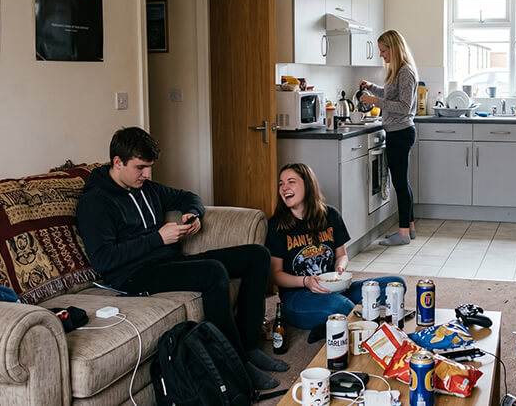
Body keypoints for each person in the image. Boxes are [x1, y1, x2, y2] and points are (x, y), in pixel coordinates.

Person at [76, 127, 287, 390]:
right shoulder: (95, 202)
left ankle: (248, 348)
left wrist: (193, 213)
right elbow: (104, 259)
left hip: (167, 262)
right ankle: (235, 363)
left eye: (150, 167)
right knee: (213, 272)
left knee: (257, 255)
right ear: (118, 163)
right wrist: (158, 239)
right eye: (141, 167)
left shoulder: (145, 188)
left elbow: (189, 197)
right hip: (132, 276)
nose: (147, 174)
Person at [266, 163, 405, 342]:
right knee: (338, 305)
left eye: (291, 182)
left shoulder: (330, 215)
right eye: (281, 184)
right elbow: (275, 275)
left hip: (334, 290)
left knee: (396, 285)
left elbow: (342, 255)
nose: (284, 188)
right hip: (298, 298)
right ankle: (377, 336)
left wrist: (340, 270)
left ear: (308, 185)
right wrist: (306, 281)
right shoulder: (276, 225)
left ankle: (333, 324)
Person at [359, 29, 418, 246]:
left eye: (384, 50)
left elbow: (403, 106)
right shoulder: (399, 71)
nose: (382, 55)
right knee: (403, 183)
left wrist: (374, 102)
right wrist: (373, 89)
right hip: (398, 132)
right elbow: (392, 95)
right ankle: (408, 228)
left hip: (400, 132)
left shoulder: (405, 72)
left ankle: (402, 234)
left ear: (394, 48)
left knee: (401, 184)